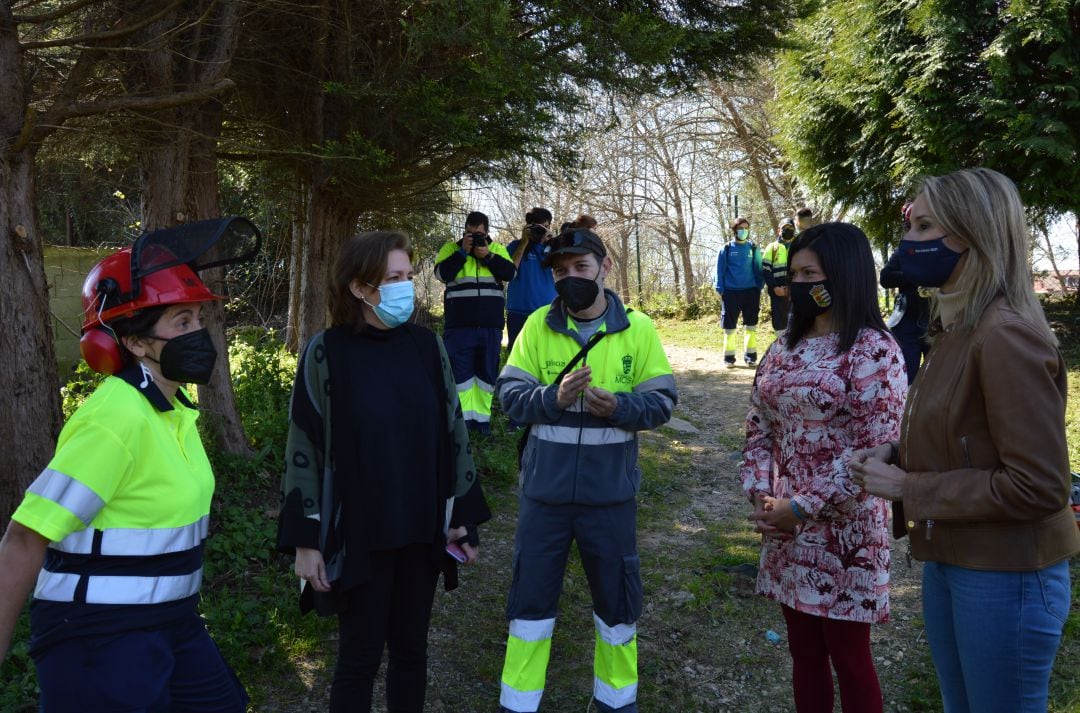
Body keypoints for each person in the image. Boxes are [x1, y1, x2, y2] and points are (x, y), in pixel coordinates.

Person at [0, 217, 260, 712]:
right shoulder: (114, 419)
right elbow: (24, 538)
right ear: (136, 343)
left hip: (171, 621)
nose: (199, 333)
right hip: (99, 635)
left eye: (199, 319)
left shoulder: (172, 410)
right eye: (181, 322)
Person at [850, 168, 1080, 713]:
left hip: (1009, 576)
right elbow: (966, 436)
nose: (909, 242)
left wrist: (910, 486)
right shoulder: (956, 327)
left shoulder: (1005, 335)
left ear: (972, 233)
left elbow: (1040, 486)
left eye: (925, 226)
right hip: (955, 558)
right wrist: (896, 455)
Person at [278, 230, 492, 713]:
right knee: (358, 659)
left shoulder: (426, 346)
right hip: (360, 532)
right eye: (393, 277)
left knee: (412, 652)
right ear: (359, 288)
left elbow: (453, 432)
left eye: (408, 276)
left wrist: (461, 514)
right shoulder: (325, 352)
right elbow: (304, 446)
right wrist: (306, 540)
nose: (406, 287)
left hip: (419, 528)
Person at [496, 228, 677, 713]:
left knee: (617, 610)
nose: (570, 278)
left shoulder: (637, 329)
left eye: (580, 267)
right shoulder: (536, 325)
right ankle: (518, 705)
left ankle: (617, 704)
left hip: (609, 499)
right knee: (529, 610)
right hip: (544, 498)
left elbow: (662, 404)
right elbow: (509, 398)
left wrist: (620, 406)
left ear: (605, 266)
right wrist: (550, 398)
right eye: (560, 271)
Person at [742, 222, 908, 713]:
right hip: (785, 527)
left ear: (843, 274)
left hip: (846, 532)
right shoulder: (783, 347)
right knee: (804, 654)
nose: (795, 283)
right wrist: (760, 495)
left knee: (850, 657)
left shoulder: (874, 350)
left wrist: (803, 506)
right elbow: (758, 426)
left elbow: (874, 448)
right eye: (793, 273)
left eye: (808, 273)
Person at [435, 210, 517, 433]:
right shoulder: (451, 249)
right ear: (464, 231)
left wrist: (487, 256)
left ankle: (481, 424)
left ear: (487, 232)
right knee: (460, 377)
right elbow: (442, 274)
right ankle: (461, 425)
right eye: (470, 233)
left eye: (479, 234)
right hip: (459, 326)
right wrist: (463, 252)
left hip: (490, 326)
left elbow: (510, 274)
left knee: (485, 377)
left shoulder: (497, 249)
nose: (474, 237)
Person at [880, 202, 933, 384]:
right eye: (910, 226)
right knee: (905, 377)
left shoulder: (942, 250)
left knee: (936, 378)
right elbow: (885, 278)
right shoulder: (904, 251)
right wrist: (914, 275)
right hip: (907, 322)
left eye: (924, 226)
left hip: (935, 323)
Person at [715, 216, 764, 367]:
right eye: (740, 228)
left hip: (750, 292)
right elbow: (720, 270)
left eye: (746, 228)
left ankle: (750, 357)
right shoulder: (727, 248)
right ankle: (729, 358)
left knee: (751, 326)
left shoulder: (753, 248)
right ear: (735, 230)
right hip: (730, 292)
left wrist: (759, 286)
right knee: (729, 327)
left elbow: (758, 268)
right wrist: (720, 288)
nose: (744, 231)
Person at [506, 207, 557, 352]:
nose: (542, 230)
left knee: (547, 354)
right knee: (517, 354)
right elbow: (508, 272)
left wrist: (552, 243)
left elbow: (563, 270)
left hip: (548, 311)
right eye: (538, 227)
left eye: (546, 227)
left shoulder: (552, 248)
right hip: (518, 311)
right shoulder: (515, 246)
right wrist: (524, 242)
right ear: (528, 226)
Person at [761, 217, 797, 331]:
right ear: (779, 230)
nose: (788, 230)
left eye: (791, 227)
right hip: (777, 292)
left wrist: (793, 288)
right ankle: (780, 347)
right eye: (785, 228)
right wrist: (775, 287)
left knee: (796, 321)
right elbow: (766, 270)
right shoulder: (772, 248)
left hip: (796, 291)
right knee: (779, 322)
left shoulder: (800, 246)